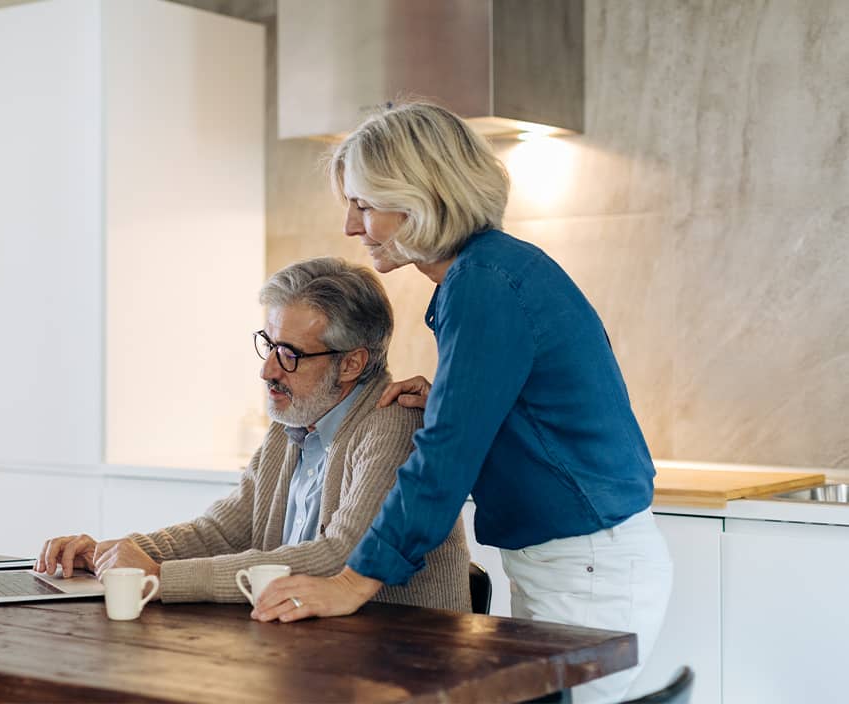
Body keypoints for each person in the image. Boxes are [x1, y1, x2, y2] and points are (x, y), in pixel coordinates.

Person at [252, 102, 673, 703]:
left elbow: (444, 460)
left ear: (418, 201)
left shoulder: (482, 286)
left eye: (364, 205)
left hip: (585, 572)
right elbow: (524, 403)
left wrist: (353, 581)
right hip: (577, 565)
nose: (351, 226)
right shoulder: (493, 271)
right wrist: (452, 397)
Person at [36, 257, 470, 611]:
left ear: (352, 364)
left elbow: (339, 557)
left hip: (403, 668)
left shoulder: (392, 421)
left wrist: (159, 577)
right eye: (269, 343)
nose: (267, 370)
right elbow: (220, 532)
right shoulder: (293, 423)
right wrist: (114, 554)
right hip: (315, 654)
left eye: (290, 354)